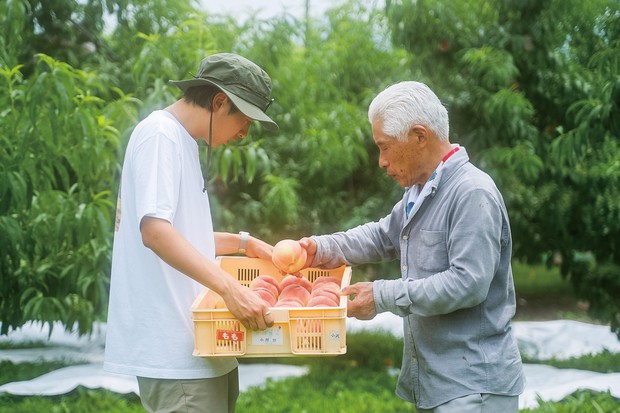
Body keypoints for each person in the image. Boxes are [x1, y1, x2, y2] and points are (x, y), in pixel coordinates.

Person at [299, 81, 525, 412]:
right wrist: (318, 249)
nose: (380, 161)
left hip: (472, 388)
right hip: (436, 385)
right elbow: (381, 237)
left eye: (385, 146)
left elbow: (468, 284)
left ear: (419, 136)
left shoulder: (471, 193)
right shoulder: (420, 191)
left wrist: (380, 296)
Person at [104, 53, 278, 413]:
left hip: (201, 348)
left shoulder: (181, 140)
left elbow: (185, 235)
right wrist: (230, 289)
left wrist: (246, 244)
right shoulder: (160, 136)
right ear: (219, 101)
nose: (245, 133)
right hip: (176, 355)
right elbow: (154, 232)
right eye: (244, 120)